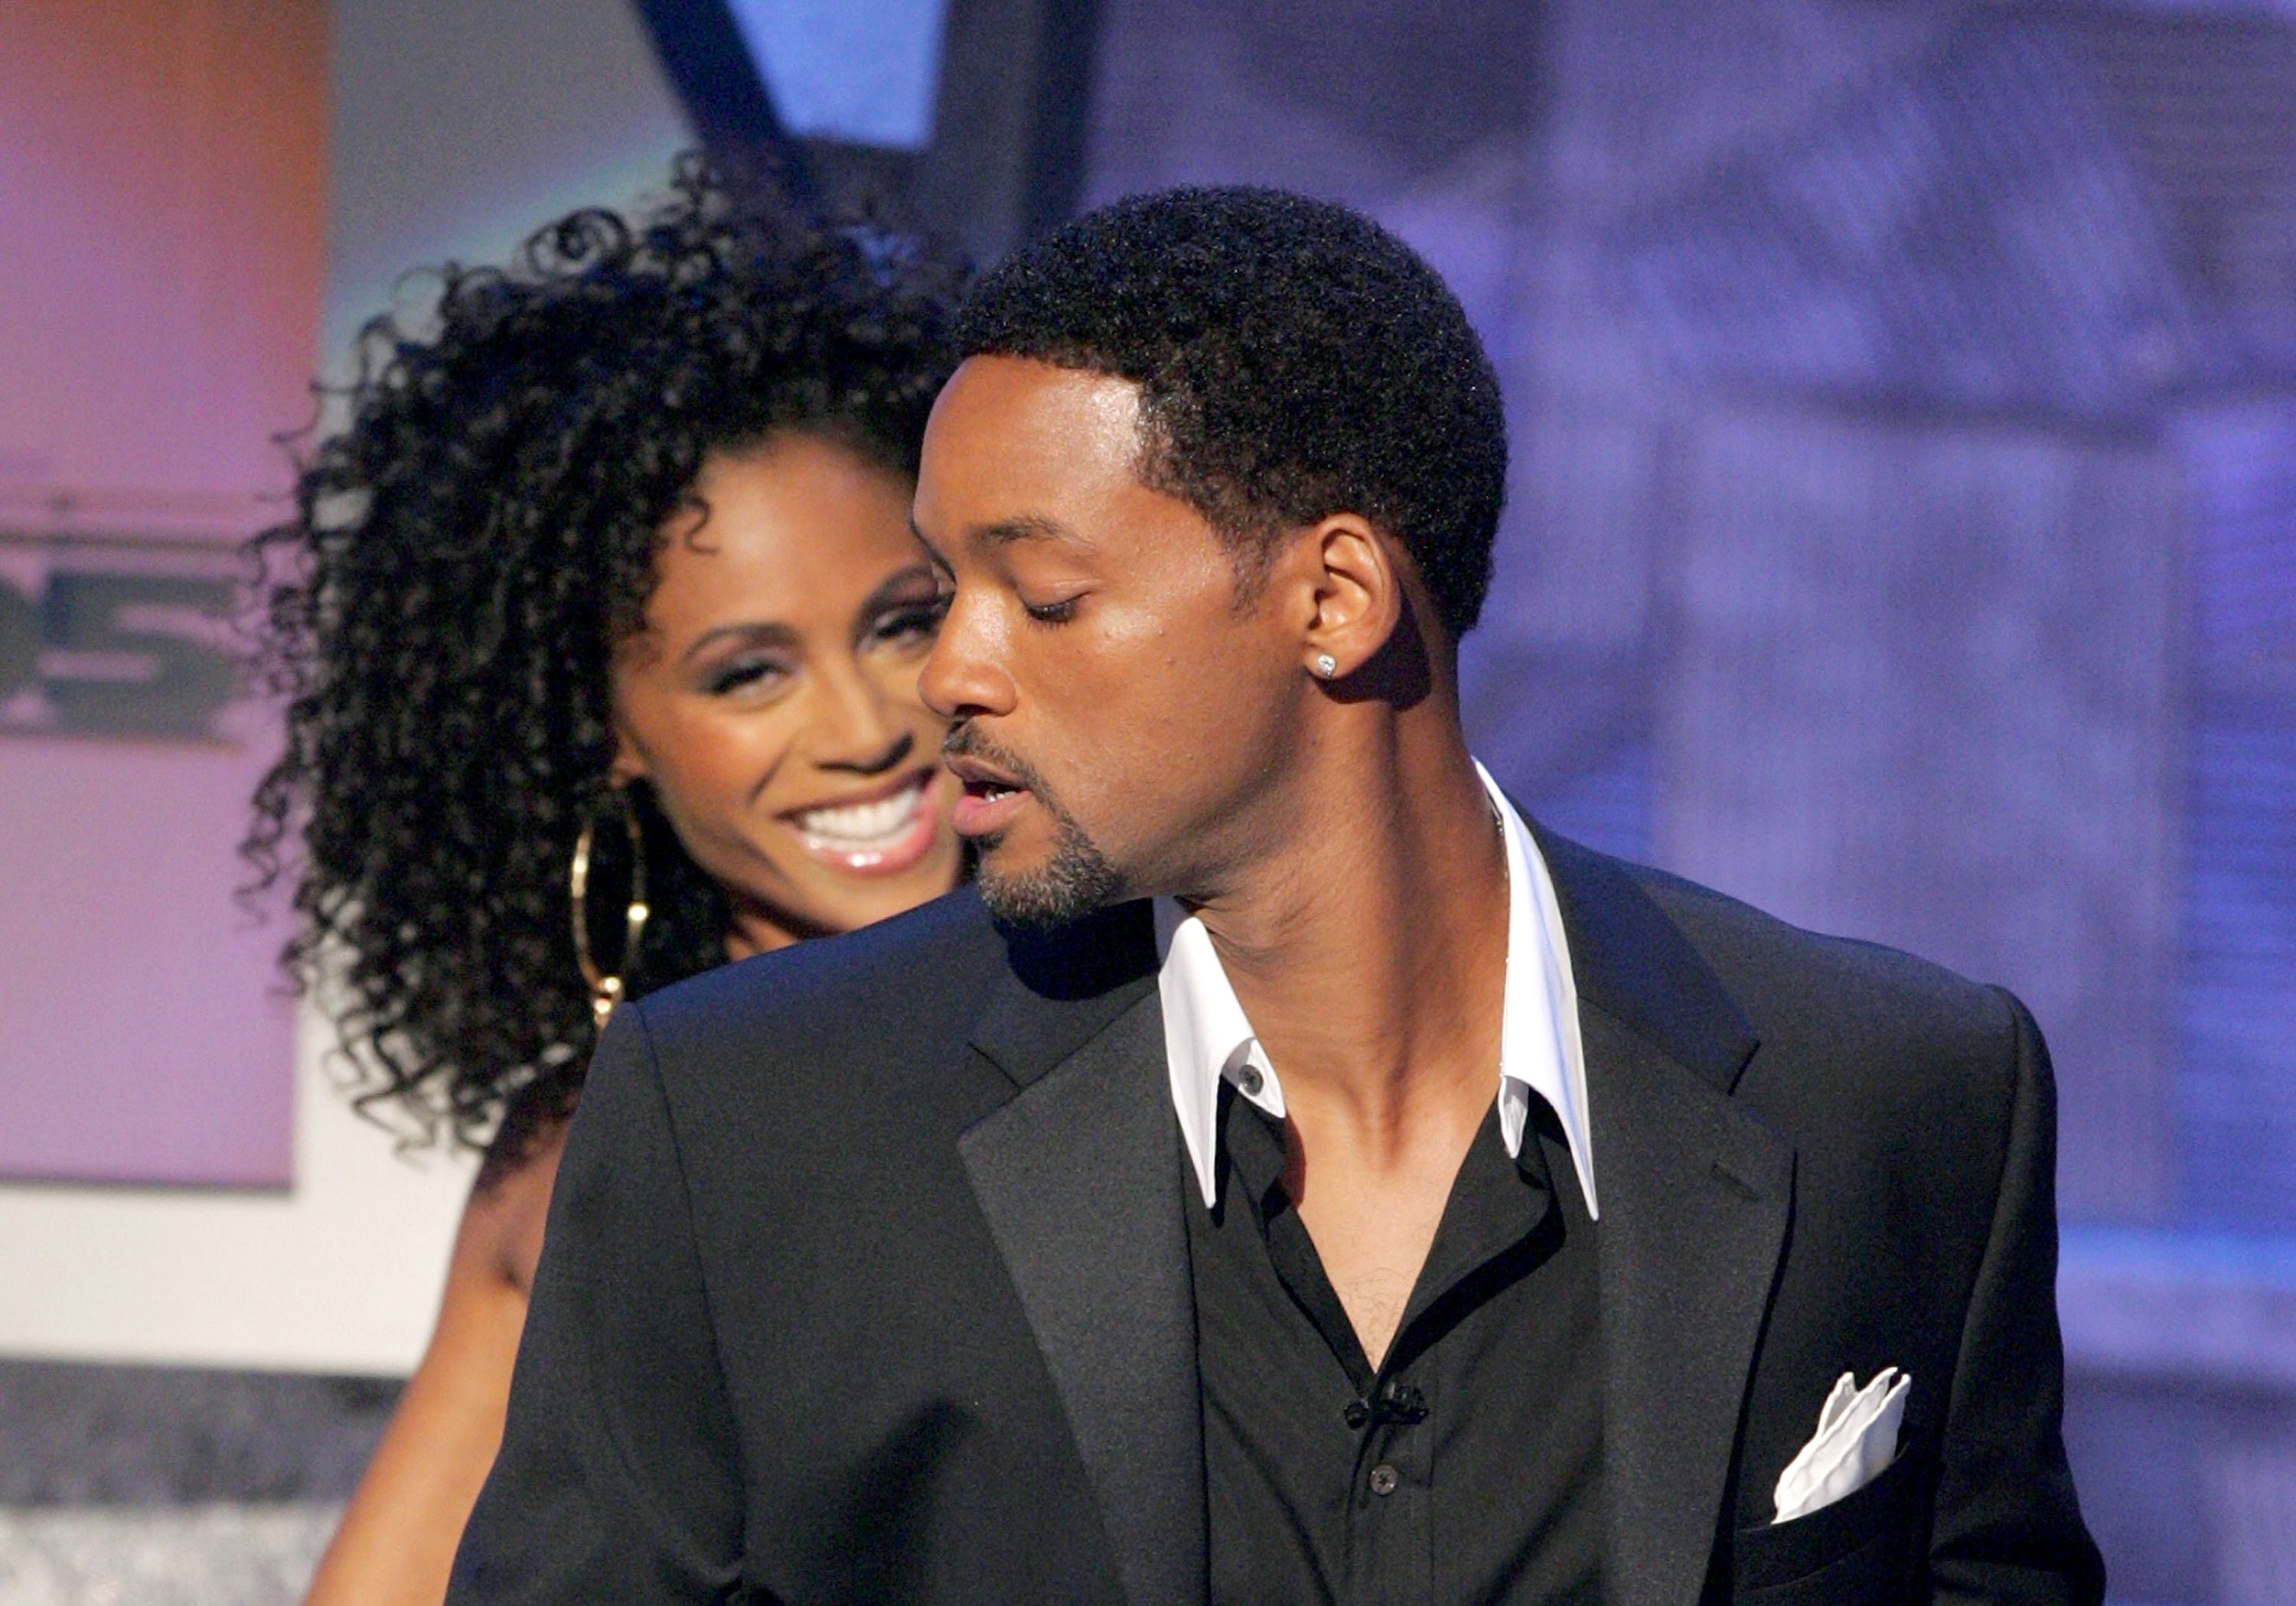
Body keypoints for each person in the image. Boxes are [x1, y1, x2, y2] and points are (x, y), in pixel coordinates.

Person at [448, 187, 2105, 1604]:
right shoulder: (743, 1129)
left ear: (1334, 598)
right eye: (945, 592)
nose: (948, 671)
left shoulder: (1898, 1096)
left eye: (1043, 595)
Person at [243, 160, 966, 1606]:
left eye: (904, 624)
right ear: (610, 733)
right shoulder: (589, 1147)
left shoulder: (1169, 1047)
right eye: (747, 673)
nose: (866, 728)